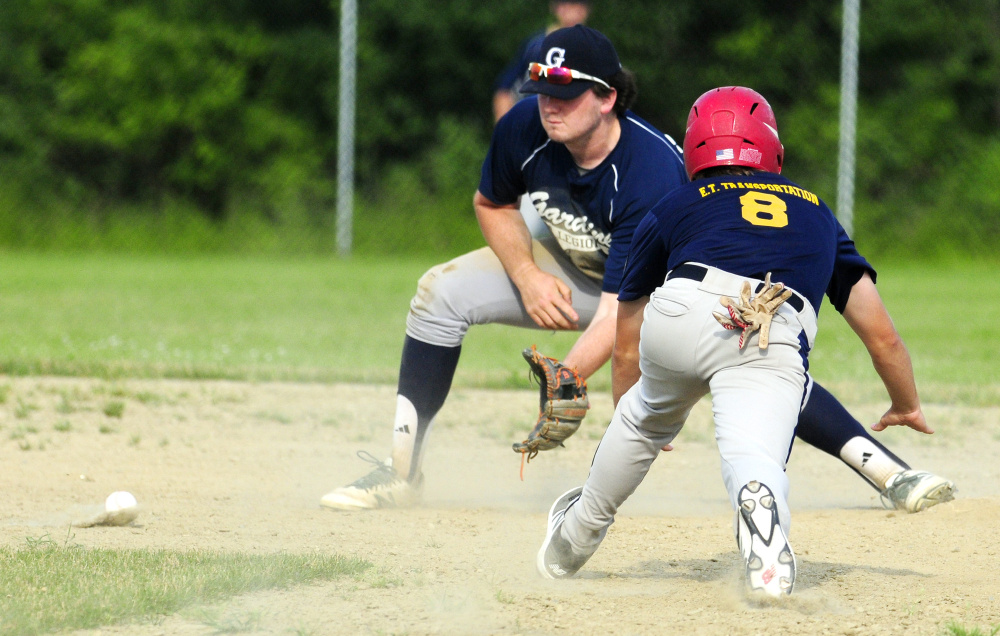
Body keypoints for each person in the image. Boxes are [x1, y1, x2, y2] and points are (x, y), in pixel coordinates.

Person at [319, 27, 954, 515]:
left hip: (665, 294)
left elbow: (621, 313)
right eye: (543, 91)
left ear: (608, 98)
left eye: (567, 94)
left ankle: (888, 470)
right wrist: (527, 276)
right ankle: (401, 473)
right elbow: (492, 204)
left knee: (756, 363)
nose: (550, 106)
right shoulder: (523, 126)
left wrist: (571, 376)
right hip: (571, 271)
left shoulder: (651, 175)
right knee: (438, 293)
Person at [535, 86, 935, 597]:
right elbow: (883, 337)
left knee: (641, 420)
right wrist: (906, 402)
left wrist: (630, 403)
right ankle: (760, 507)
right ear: (774, 151)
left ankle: (575, 535)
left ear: (693, 152)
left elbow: (627, 335)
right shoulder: (816, 212)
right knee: (753, 454)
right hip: (767, 326)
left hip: (682, 304)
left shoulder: (676, 201)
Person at [492, 0, 592, 123]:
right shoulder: (536, 46)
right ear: (554, 7)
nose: (572, 13)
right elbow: (504, 91)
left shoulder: (593, 49)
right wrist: (504, 131)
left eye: (578, 6)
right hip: (532, 123)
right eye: (566, 5)